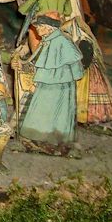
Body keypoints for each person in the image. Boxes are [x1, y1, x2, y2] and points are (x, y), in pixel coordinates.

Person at [17, 16, 85, 155]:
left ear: (48, 28)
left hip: (57, 85)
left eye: (39, 27)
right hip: (50, 83)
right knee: (43, 109)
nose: (37, 30)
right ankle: (39, 138)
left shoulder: (60, 41)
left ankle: (52, 141)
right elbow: (42, 63)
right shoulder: (49, 40)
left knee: (52, 111)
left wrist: (36, 82)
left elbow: (54, 66)